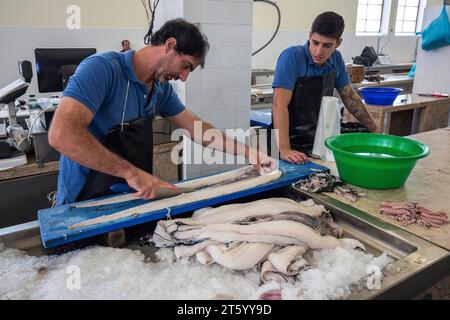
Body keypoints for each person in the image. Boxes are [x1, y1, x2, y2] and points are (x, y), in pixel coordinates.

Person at [49, 18, 275, 206]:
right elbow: (62, 134)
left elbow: (197, 129)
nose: (184, 77)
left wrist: (249, 152)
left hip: (132, 197)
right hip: (83, 200)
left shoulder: (160, 90)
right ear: (169, 45)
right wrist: (132, 173)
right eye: (185, 66)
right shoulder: (102, 69)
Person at [271, 11, 378, 164]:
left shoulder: (336, 60)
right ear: (309, 36)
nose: (319, 51)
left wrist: (374, 130)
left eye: (327, 46)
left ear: (338, 43)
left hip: (318, 142)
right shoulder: (292, 57)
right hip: (287, 142)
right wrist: (284, 149)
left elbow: (349, 96)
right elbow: (279, 104)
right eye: (315, 43)